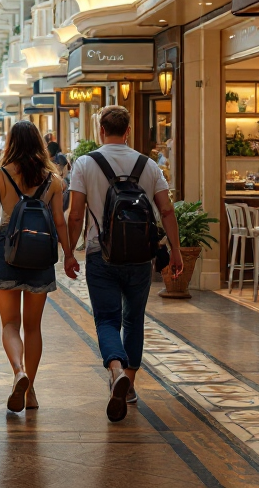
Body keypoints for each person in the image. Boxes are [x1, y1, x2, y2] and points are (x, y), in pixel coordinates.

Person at [67, 105, 184, 423]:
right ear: (128, 131)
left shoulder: (85, 164)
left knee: (106, 320)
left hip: (99, 255)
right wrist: (175, 250)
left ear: (101, 130)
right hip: (140, 258)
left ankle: (115, 370)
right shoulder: (148, 165)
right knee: (134, 320)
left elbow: (76, 214)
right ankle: (129, 384)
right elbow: (167, 210)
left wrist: (67, 252)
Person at [0, 121, 78, 412]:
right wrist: (69, 255)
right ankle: (30, 390)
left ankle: (18, 371)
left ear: (11, 143)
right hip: (40, 252)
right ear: (39, 143)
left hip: (7, 251)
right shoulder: (53, 179)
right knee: (33, 327)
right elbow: (60, 221)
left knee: (10, 324)